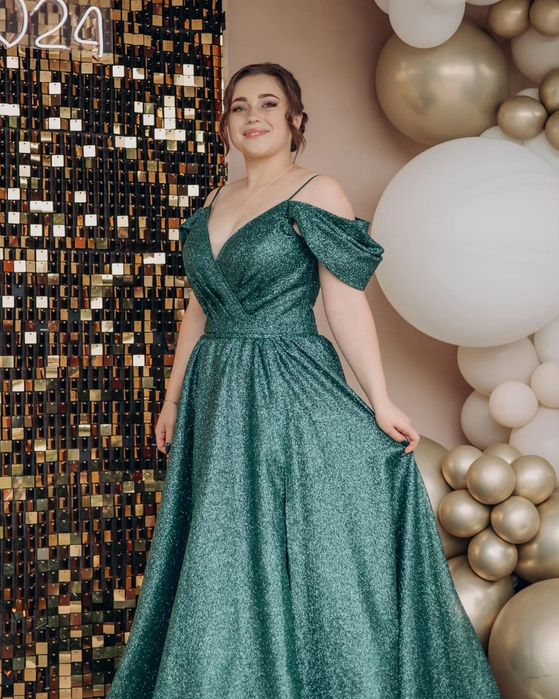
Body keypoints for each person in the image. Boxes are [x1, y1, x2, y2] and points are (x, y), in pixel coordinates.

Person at [107, 62, 501, 698]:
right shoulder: (214, 201)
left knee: (301, 539)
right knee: (225, 541)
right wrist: (172, 398)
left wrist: (380, 400)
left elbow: (344, 304)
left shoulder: (317, 191)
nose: (252, 116)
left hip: (288, 383)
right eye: (239, 106)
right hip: (216, 390)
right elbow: (199, 309)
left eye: (268, 103)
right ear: (226, 124)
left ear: (295, 120)